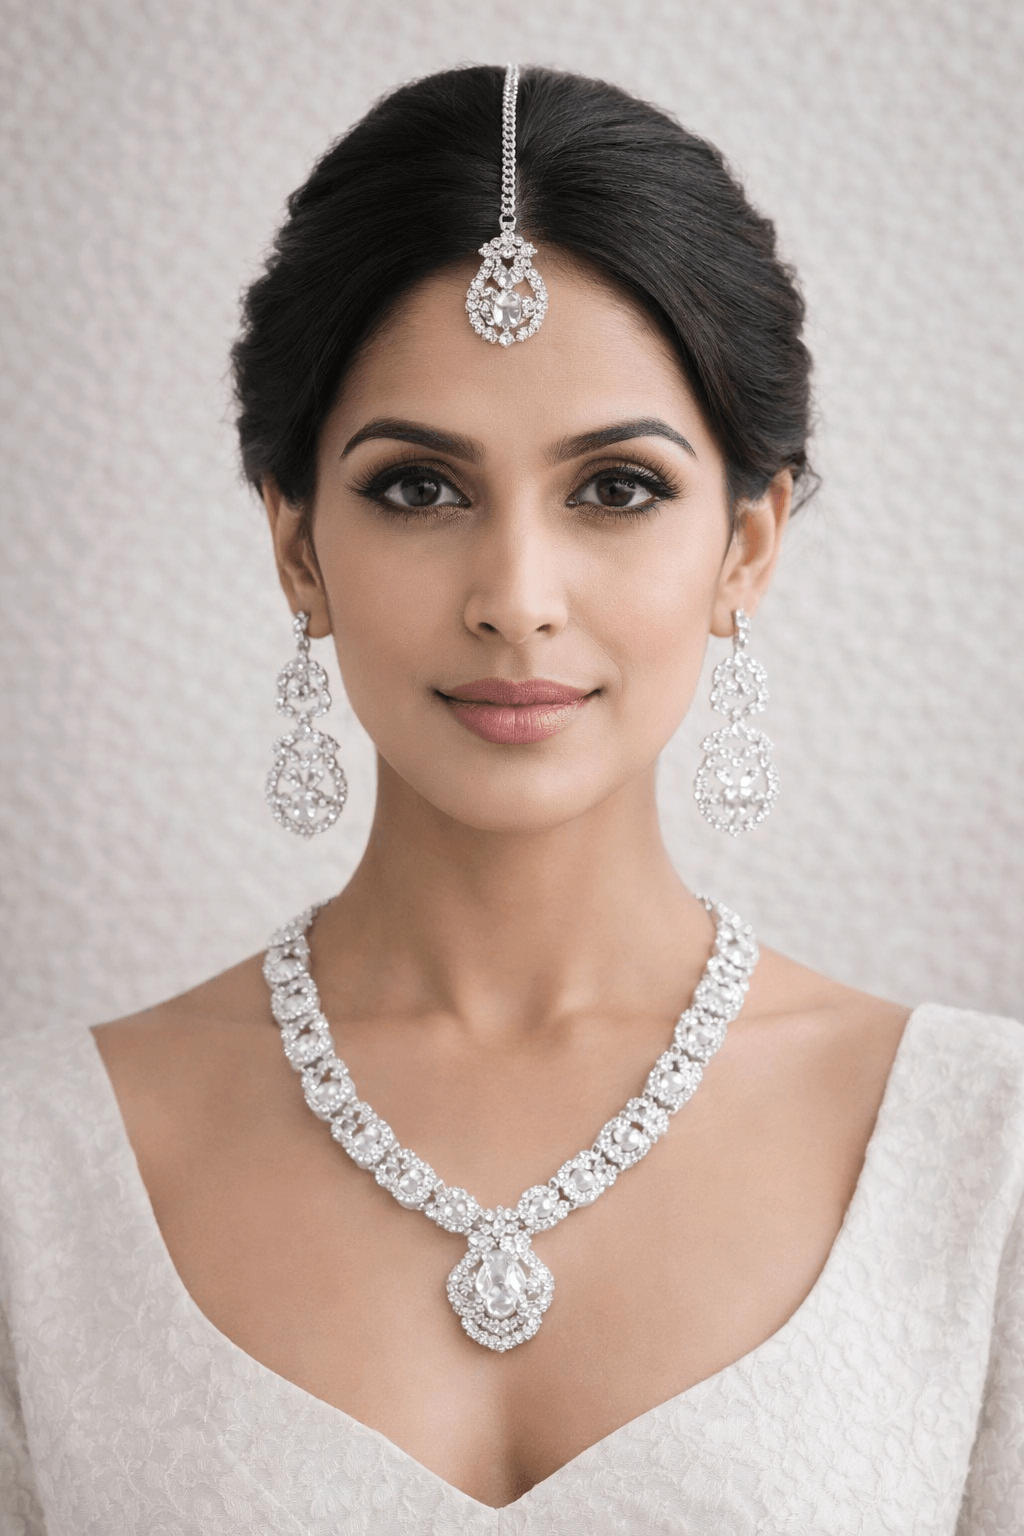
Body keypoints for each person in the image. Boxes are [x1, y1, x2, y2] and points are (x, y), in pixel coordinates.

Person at [1, 63, 1021, 1536]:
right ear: (297, 545)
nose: (516, 598)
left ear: (747, 544)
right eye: (421, 488)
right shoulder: (38, 1170)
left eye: (615, 488)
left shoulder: (982, 1154)